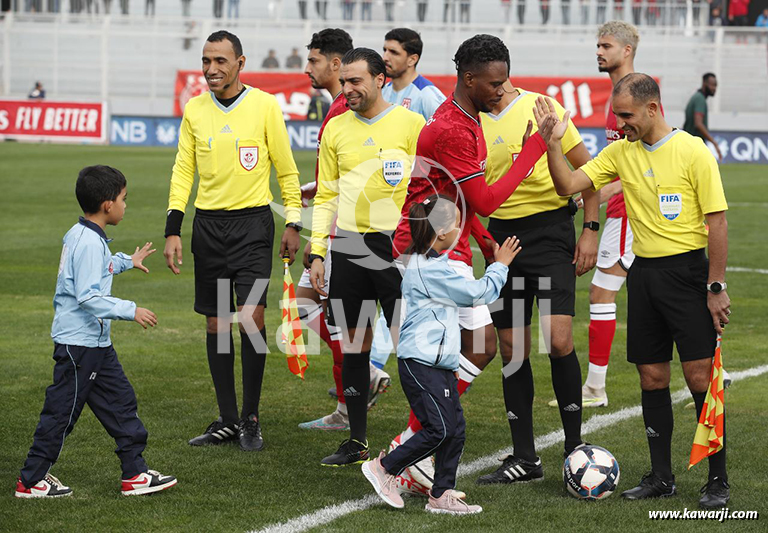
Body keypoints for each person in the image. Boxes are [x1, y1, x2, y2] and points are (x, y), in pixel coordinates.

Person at [537, 73, 730, 509]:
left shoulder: (692, 151)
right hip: (643, 276)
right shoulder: (621, 152)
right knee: (652, 377)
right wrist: (552, 145)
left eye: (626, 116)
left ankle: (717, 479)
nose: (620, 124)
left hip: (688, 274)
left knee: (700, 377)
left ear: (653, 109)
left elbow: (717, 221)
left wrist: (715, 286)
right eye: (617, 115)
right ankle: (661, 477)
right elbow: (568, 185)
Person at [389, 34, 552, 495]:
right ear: (468, 78)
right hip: (427, 251)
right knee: (455, 350)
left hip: (443, 245)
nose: (502, 91)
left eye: (505, 82)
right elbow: (485, 199)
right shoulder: (454, 129)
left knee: (472, 347)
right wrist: (534, 149)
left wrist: (481, 239)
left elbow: (459, 196)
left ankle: (416, 443)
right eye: (495, 84)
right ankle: (409, 448)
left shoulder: (467, 117)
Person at [163, 31, 302, 452]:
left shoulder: (264, 106)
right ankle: (226, 419)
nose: (211, 69)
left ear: (240, 63)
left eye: (220, 61)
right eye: (206, 60)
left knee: (251, 318)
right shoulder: (195, 109)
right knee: (217, 323)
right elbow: (183, 170)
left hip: (253, 228)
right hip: (208, 229)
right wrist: (173, 227)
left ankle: (251, 417)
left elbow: (287, 169)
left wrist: (293, 222)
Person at [15, 165, 176, 499]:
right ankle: (31, 480)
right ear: (107, 205)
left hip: (96, 344)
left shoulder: (83, 234)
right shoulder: (88, 242)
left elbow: (98, 268)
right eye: (123, 199)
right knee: (61, 412)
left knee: (121, 402)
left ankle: (135, 474)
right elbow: (88, 297)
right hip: (79, 345)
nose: (126, 205)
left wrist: (127, 261)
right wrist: (131, 310)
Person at [474, 64, 597, 484]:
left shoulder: (543, 108)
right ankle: (525, 458)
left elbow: (589, 175)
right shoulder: (472, 120)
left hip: (550, 235)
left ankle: (575, 448)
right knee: (513, 349)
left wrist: (590, 230)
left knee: (558, 340)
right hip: (502, 240)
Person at [362, 195, 523, 514]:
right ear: (442, 233)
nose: (461, 230)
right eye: (457, 225)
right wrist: (501, 265)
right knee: (440, 429)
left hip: (438, 364)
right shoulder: (430, 270)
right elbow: (478, 294)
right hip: (420, 364)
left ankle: (441, 495)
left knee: (455, 429)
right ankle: (384, 467)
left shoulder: (433, 264)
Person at [308, 48, 426, 466]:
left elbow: (427, 188)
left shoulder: (411, 124)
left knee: (411, 347)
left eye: (355, 81)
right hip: (348, 246)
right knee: (354, 348)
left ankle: (422, 438)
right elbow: (326, 195)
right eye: (344, 82)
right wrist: (318, 252)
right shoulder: (336, 128)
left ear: (380, 80)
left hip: (396, 249)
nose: (347, 89)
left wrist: (417, 246)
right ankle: (356, 441)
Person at [297, 29, 394, 433]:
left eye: (314, 60)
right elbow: (336, 180)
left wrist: (318, 241)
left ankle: (360, 386)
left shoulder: (344, 111)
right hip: (340, 232)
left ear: (335, 64)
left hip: (357, 237)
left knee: (322, 313)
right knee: (313, 307)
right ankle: (350, 406)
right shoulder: (339, 113)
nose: (307, 69)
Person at [578, 20, 640, 409]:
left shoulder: (635, 93)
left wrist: (602, 197)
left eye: (606, 46)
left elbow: (645, 162)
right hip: (629, 210)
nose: (599, 52)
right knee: (666, 291)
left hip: (630, 212)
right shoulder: (619, 93)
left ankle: (595, 388)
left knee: (601, 292)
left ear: (627, 50)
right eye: (598, 46)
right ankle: (716, 368)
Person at [382, 28, 447, 122]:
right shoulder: (382, 92)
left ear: (412, 60)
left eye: (394, 52)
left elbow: (448, 128)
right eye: (385, 50)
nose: (385, 57)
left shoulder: (428, 96)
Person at [683, 73, 722, 161]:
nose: (714, 88)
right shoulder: (700, 99)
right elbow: (698, 124)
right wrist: (714, 143)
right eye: (712, 85)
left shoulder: (696, 97)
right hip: (693, 147)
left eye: (716, 85)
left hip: (689, 146)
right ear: (704, 83)